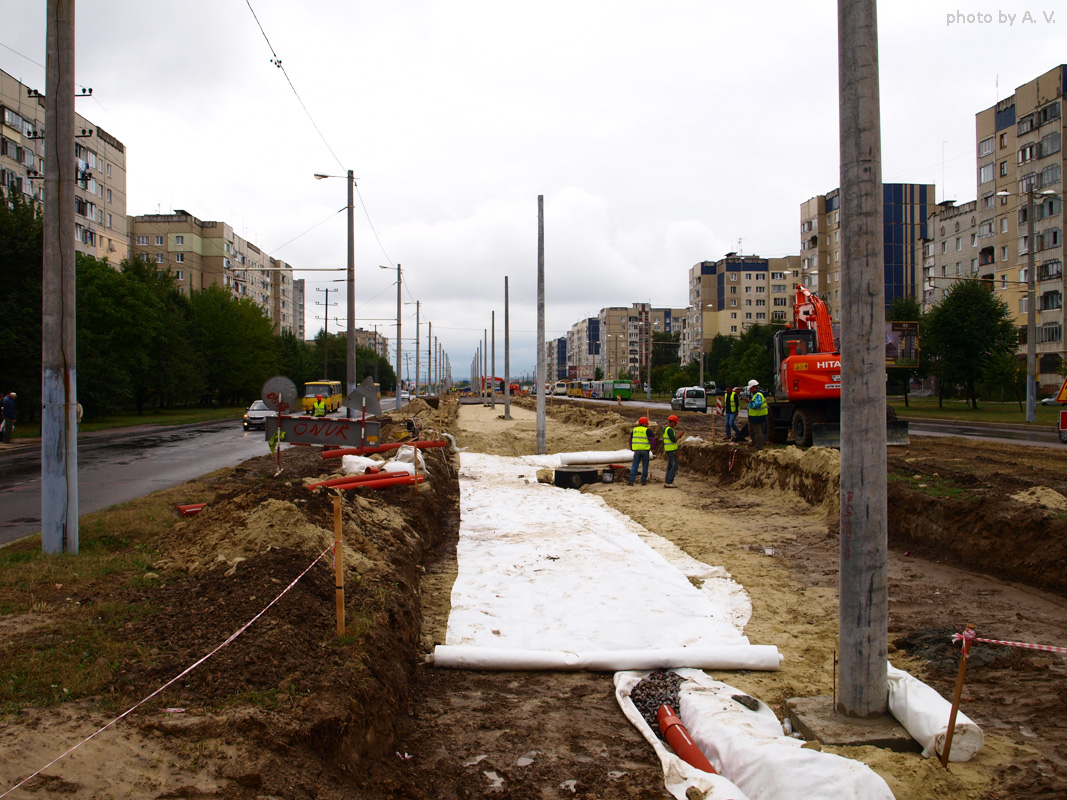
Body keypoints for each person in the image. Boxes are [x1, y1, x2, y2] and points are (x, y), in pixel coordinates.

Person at [628, 416, 655, 486]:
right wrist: (653, 447)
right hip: (645, 450)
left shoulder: (634, 430)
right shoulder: (647, 430)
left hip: (637, 450)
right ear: (644, 423)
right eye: (647, 423)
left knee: (635, 465)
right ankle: (643, 481)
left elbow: (630, 440)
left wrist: (631, 447)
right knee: (645, 465)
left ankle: (631, 480)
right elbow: (652, 439)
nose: (648, 424)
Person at [746, 379, 768, 450]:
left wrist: (750, 402)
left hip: (757, 416)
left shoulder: (758, 395)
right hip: (753, 416)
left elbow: (757, 405)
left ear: (754, 387)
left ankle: (758, 446)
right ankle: (754, 443)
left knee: (757, 431)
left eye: (751, 388)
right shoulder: (756, 395)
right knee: (751, 430)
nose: (750, 390)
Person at [662, 414, 681, 488]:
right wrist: (679, 435)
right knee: (674, 466)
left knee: (670, 466)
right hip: (672, 449)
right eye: (675, 423)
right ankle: (669, 482)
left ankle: (667, 480)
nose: (676, 424)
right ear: (672, 422)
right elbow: (673, 440)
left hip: (668, 449)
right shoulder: (669, 430)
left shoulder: (665, 428)